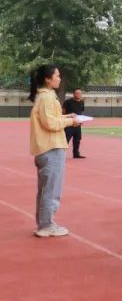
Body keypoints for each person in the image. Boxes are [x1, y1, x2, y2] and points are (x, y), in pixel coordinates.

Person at [29, 65, 77, 237]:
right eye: (57, 76)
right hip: (51, 148)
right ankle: (46, 225)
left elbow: (52, 119)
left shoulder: (44, 97)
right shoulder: (47, 98)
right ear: (47, 79)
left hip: (47, 148)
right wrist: (71, 122)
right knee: (51, 189)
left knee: (45, 189)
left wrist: (67, 117)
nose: (59, 78)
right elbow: (50, 124)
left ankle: (44, 223)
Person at [61, 88, 87, 159]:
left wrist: (81, 120)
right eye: (77, 93)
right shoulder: (67, 102)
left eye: (80, 93)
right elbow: (63, 112)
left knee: (77, 139)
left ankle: (76, 153)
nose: (78, 94)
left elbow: (80, 112)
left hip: (78, 124)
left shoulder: (82, 102)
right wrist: (66, 120)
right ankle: (60, 154)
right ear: (74, 94)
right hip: (69, 124)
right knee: (66, 139)